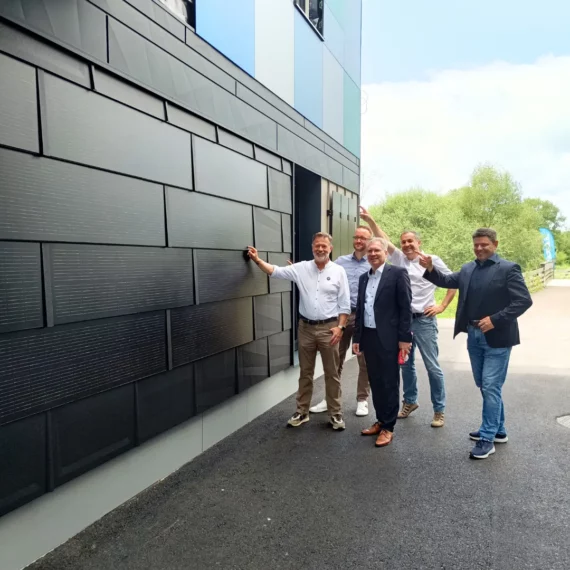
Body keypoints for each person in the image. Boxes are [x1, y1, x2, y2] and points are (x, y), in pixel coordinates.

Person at [419, 228, 532, 459]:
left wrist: (495, 319)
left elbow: (523, 300)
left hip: (498, 338)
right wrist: (430, 267)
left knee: (490, 385)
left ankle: (487, 438)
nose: (479, 248)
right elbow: (445, 280)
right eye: (476, 245)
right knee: (484, 384)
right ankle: (499, 430)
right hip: (473, 336)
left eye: (484, 245)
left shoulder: (509, 269)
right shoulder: (468, 268)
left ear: (495, 244)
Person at [359, 207, 456, 428]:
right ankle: (410, 402)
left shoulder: (431, 259)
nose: (407, 245)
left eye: (411, 241)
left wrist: (441, 305)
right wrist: (371, 220)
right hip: (402, 322)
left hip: (424, 320)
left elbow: (453, 282)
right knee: (406, 365)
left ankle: (439, 410)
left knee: (432, 366)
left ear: (418, 243)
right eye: (404, 242)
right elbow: (383, 241)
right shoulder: (400, 259)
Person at [247, 232, 351, 430]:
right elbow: (275, 271)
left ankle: (336, 414)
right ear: (313, 247)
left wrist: (341, 327)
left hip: (330, 328)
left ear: (330, 248)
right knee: (305, 373)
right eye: (317, 246)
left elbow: (344, 303)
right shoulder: (301, 268)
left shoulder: (338, 271)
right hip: (306, 329)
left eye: (324, 246)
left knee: (332, 373)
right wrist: (257, 259)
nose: (320, 249)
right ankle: (302, 412)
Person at [353, 238, 413, 448]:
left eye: (377, 250)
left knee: (389, 382)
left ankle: (389, 427)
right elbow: (360, 310)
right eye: (370, 251)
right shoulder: (363, 278)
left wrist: (405, 338)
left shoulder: (397, 274)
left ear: (386, 253)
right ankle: (380, 420)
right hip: (369, 337)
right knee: (376, 381)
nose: (372, 254)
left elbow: (406, 307)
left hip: (389, 338)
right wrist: (357, 338)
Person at [308, 225, 372, 417]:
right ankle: (330, 400)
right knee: (335, 360)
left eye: (363, 238)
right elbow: (321, 273)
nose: (359, 241)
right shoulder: (341, 262)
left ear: (369, 241)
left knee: (365, 361)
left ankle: (362, 400)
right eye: (356, 237)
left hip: (364, 317)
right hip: (341, 316)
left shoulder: (374, 261)